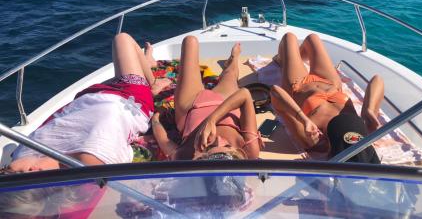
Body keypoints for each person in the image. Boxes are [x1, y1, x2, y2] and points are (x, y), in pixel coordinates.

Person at [6, 33, 171, 173]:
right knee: (123, 39)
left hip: (92, 98)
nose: (12, 170)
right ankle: (153, 79)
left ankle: (146, 64)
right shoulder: (91, 161)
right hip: (131, 99)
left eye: (6, 170)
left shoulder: (22, 153)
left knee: (122, 61)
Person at [270, 32, 383, 163]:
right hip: (330, 83)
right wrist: (368, 109)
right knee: (312, 38)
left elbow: (275, 92)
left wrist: (303, 119)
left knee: (289, 38)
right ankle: (294, 58)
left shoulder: (314, 140)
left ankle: (284, 60)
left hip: (299, 84)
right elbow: (377, 80)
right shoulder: (362, 132)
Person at [152, 36, 262, 161]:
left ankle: (230, 63)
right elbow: (245, 94)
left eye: (210, 146)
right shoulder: (249, 152)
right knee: (231, 75)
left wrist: (156, 119)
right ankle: (233, 59)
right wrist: (211, 120)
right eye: (227, 145)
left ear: (201, 156)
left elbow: (163, 140)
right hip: (226, 101)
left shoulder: (185, 155)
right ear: (237, 152)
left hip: (192, 105)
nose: (218, 139)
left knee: (190, 42)